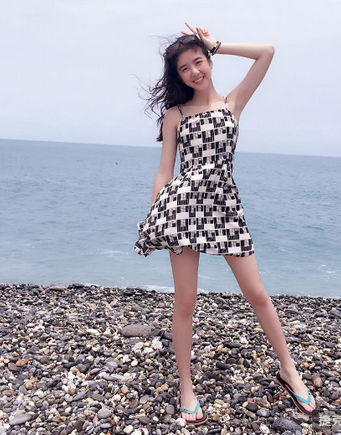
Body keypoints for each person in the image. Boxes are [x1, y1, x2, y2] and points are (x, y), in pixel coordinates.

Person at [134, 22, 319, 426]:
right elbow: (165, 172)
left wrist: (217, 43)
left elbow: (267, 52)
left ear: (209, 61)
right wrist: (154, 217)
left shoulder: (232, 103)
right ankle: (186, 388)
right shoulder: (174, 115)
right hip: (183, 209)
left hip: (225, 207)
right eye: (184, 68)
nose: (193, 72)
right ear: (178, 76)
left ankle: (289, 371)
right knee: (186, 302)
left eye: (198, 61)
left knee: (258, 294)